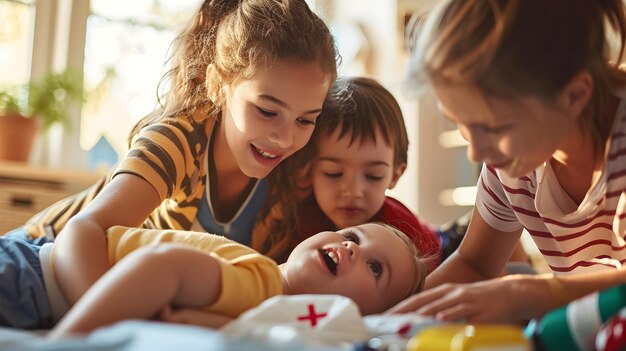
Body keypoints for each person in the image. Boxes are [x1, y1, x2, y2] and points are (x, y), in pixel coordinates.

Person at [5, 0, 338, 308]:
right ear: (218, 84)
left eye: (305, 120)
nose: (284, 138)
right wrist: (108, 328)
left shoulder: (290, 178)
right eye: (267, 111)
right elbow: (82, 232)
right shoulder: (178, 141)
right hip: (36, 256)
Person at [387, 0, 626, 324]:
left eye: (493, 127)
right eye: (460, 121)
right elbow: (474, 265)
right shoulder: (514, 165)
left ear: (574, 95)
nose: (476, 152)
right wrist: (385, 324)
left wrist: (537, 294)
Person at [0, 221, 427, 333]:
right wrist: (70, 341)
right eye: (353, 235)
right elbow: (159, 267)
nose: (353, 247)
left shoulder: (264, 308)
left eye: (375, 267)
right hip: (30, 277)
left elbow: (185, 317)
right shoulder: (260, 279)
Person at [252, 77, 442, 269]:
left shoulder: (404, 235)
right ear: (308, 170)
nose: (353, 191)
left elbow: (431, 280)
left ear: (395, 175)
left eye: (373, 175)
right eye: (333, 173)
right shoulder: (293, 224)